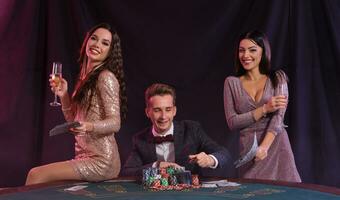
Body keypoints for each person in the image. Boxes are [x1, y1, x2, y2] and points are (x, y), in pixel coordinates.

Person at [25, 23, 128, 185]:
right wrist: (64, 95)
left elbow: (115, 123)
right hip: (84, 155)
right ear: (87, 41)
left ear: (110, 52)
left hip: (102, 160)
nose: (97, 44)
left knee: (35, 175)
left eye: (105, 43)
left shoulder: (105, 77)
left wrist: (88, 126)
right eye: (94, 38)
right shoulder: (85, 77)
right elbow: (73, 119)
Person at [223, 30, 301, 182]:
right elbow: (232, 122)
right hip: (249, 149)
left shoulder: (278, 78)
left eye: (252, 50)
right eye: (241, 50)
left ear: (263, 52)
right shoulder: (231, 82)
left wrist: (264, 147)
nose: (246, 55)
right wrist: (264, 109)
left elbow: (278, 117)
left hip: (276, 144)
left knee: (287, 193)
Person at [122, 83, 231, 177]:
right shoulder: (140, 139)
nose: (163, 116)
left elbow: (224, 154)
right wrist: (157, 165)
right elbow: (127, 172)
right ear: (147, 112)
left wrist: (210, 160)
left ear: (174, 111)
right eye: (157, 110)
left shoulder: (191, 129)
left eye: (168, 110)